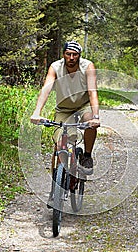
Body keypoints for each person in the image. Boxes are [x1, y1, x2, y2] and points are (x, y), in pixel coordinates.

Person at [30, 40, 100, 176]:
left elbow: (92, 92)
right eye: (68, 54)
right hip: (64, 109)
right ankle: (56, 182)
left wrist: (96, 117)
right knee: (59, 144)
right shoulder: (55, 67)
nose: (71, 58)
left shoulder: (87, 66)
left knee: (90, 121)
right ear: (63, 54)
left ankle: (86, 156)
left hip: (83, 106)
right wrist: (36, 112)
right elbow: (46, 89)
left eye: (75, 54)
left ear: (79, 55)